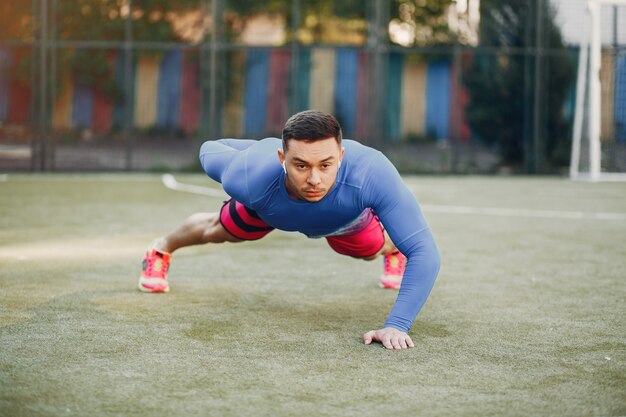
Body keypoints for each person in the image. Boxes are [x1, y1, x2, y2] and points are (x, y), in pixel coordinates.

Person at [138, 110, 440, 350]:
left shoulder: (372, 173)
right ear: (282, 160)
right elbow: (210, 149)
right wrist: (259, 150)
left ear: (342, 157)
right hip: (271, 208)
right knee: (218, 230)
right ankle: (161, 249)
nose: (314, 180)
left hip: (344, 219)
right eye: (301, 165)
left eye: (325, 165)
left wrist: (397, 325)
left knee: (372, 250)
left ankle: (392, 250)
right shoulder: (250, 175)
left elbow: (424, 251)